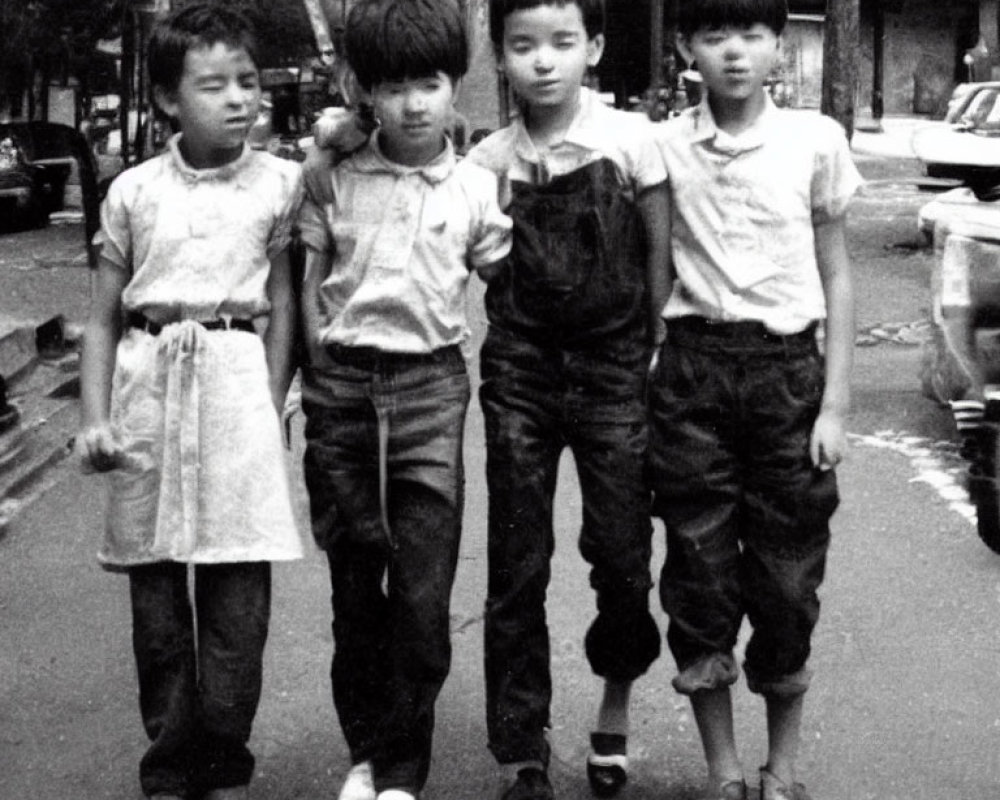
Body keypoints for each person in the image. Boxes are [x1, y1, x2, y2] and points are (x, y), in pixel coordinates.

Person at [76, 4, 303, 799]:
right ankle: (170, 763)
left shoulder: (282, 184)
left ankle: (226, 758)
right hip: (149, 392)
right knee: (159, 603)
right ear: (169, 99)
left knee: (239, 601)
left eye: (248, 81)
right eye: (215, 85)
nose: (240, 98)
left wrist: (271, 402)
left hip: (237, 393)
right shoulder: (132, 193)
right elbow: (102, 319)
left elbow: (284, 306)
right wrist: (95, 418)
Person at [295, 2, 512, 799]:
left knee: (422, 597)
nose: (414, 103)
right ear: (364, 92)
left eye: (431, 84)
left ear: (457, 87)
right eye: (394, 87)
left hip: (430, 392)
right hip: (344, 392)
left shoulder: (480, 189)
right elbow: (307, 283)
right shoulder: (331, 175)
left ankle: (402, 768)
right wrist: (306, 378)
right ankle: (366, 752)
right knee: (355, 589)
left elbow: (512, 283)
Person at [648, 2, 862, 799]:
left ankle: (782, 771)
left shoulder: (815, 140)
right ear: (686, 47)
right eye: (713, 35)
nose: (733, 53)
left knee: (787, 580)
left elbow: (838, 272)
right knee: (698, 576)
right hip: (694, 376)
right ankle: (724, 774)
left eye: (751, 34)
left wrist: (834, 405)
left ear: (778, 43)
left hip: (788, 380)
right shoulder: (663, 145)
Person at [465, 1, 670, 798]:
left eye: (561, 43)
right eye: (522, 46)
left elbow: (658, 249)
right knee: (517, 563)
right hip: (519, 370)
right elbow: (472, 258)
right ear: (501, 55)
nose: (542, 61)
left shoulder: (631, 142)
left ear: (595, 47)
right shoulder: (485, 161)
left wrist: (655, 350)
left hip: (617, 365)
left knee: (622, 557)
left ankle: (614, 708)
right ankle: (522, 750)